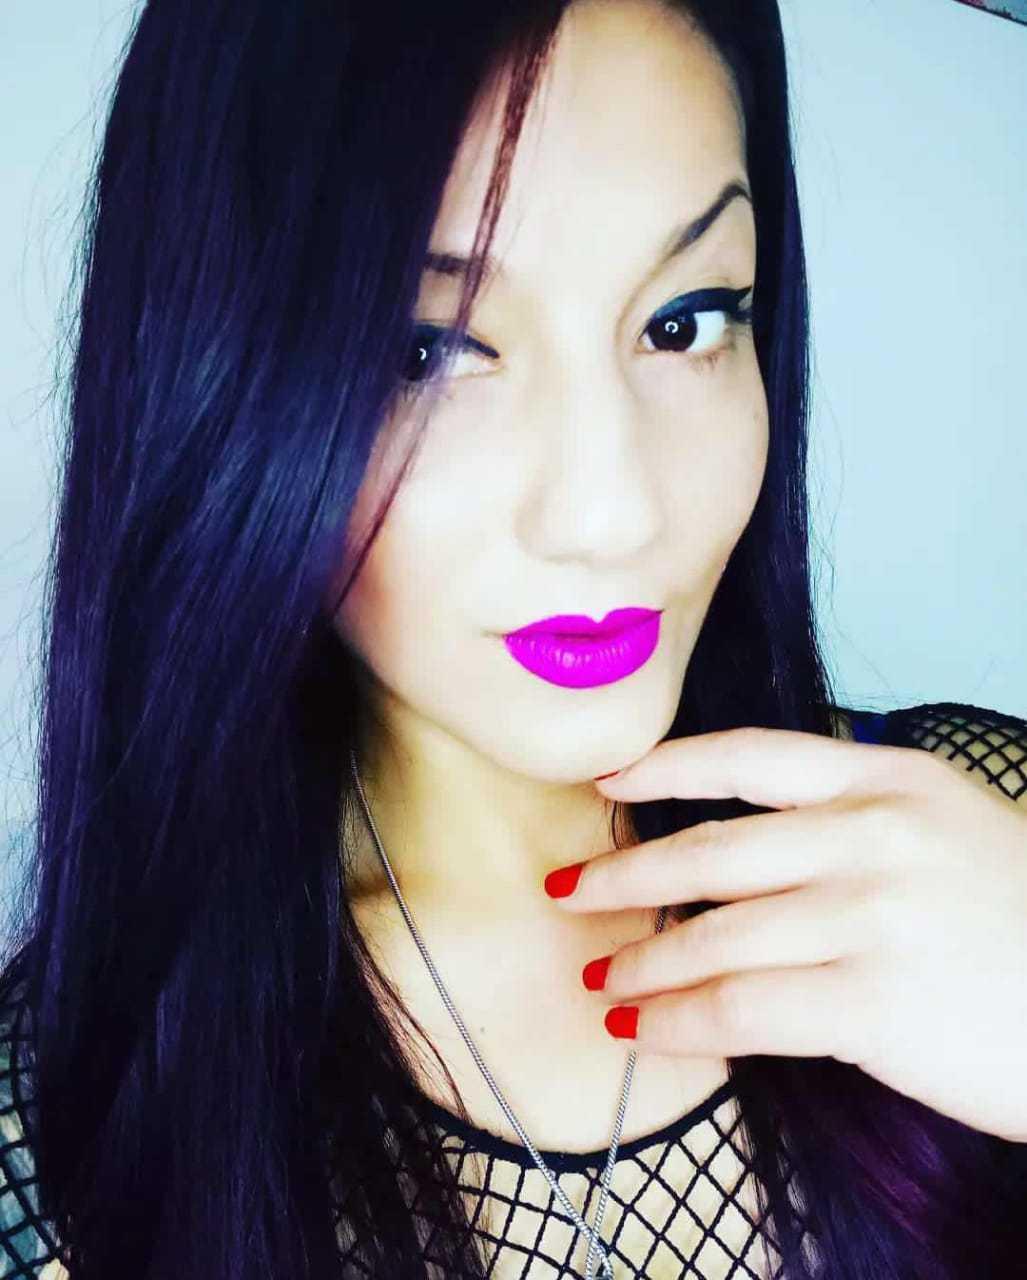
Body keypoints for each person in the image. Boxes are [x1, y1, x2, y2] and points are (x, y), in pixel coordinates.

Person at [1, 1, 1025, 1278]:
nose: (611, 514)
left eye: (685, 319)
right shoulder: (60, 1143)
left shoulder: (985, 840)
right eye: (426, 349)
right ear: (220, 386)